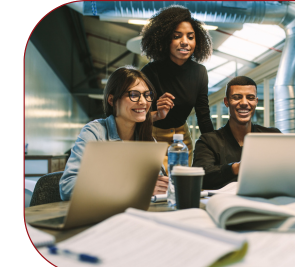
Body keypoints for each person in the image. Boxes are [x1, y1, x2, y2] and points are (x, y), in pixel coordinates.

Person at [59, 66, 175, 200]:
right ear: (112, 100)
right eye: (134, 95)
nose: (143, 102)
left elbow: (157, 184)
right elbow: (67, 188)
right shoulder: (94, 133)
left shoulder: (148, 139)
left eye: (147, 95)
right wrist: (137, 187)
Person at [140, 5, 214, 169]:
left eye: (190, 36)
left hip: (182, 141)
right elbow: (136, 115)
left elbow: (203, 115)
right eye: (177, 36)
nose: (185, 42)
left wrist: (215, 147)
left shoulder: (200, 72)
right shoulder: (150, 72)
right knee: (156, 188)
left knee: (180, 188)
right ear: (166, 40)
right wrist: (156, 112)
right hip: (152, 138)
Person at [193, 76, 282, 189]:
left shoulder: (273, 136)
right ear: (226, 102)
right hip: (224, 203)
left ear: (256, 101)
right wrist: (236, 168)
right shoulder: (208, 141)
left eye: (250, 97)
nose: (244, 103)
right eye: (236, 97)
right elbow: (199, 176)